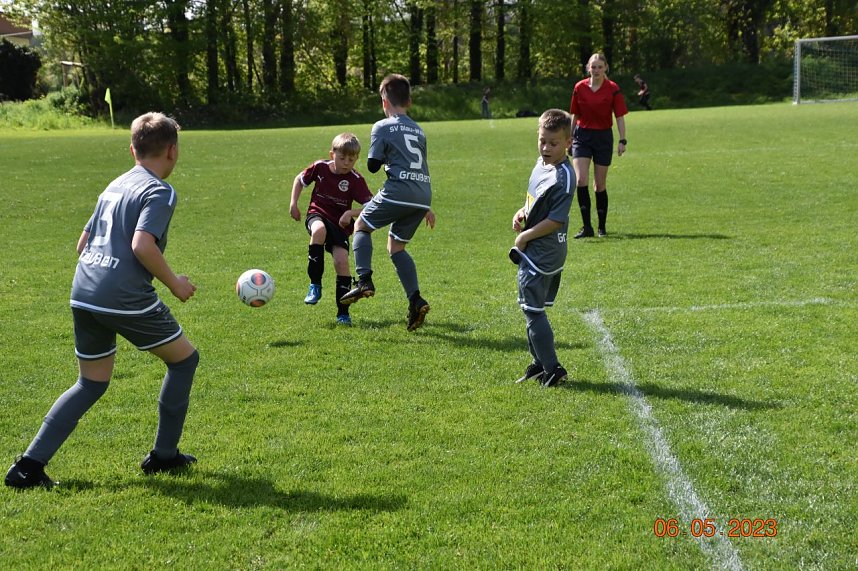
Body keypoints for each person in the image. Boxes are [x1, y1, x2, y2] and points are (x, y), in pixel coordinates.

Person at [5, 112, 200, 489]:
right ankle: (163, 456)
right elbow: (141, 245)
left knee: (91, 382)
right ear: (173, 151)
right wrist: (175, 283)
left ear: (132, 149)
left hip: (84, 291)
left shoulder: (114, 185)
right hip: (122, 295)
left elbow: (82, 244)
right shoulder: (159, 190)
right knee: (185, 360)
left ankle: (27, 467)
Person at [339, 73, 436, 331]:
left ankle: (364, 281)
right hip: (422, 194)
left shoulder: (382, 126)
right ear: (410, 102)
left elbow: (371, 165)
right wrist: (426, 206)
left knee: (361, 225)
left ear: (384, 102)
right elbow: (420, 166)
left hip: (399, 190)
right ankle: (416, 300)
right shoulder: (419, 129)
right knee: (396, 248)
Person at [509, 109, 575, 388]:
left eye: (553, 143)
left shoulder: (564, 177)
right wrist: (521, 212)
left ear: (568, 143)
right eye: (542, 141)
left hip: (543, 253)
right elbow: (534, 200)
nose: (546, 148)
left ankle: (553, 368)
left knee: (533, 310)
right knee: (531, 308)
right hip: (538, 250)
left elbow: (556, 220)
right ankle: (539, 364)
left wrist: (525, 237)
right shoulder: (542, 164)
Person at [289, 132, 374, 326]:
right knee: (318, 231)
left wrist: (351, 213)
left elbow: (372, 205)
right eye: (342, 158)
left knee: (342, 262)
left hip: (340, 224)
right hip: (317, 213)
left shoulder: (356, 180)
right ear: (332, 153)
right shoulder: (320, 167)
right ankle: (315, 285)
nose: (346, 162)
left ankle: (343, 313)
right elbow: (299, 180)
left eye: (351, 159)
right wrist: (294, 204)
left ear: (356, 159)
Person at [568, 52, 628, 238]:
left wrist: (622, 140)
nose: (596, 70)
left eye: (600, 67)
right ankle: (587, 228)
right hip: (582, 137)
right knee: (580, 180)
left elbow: (619, 116)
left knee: (599, 184)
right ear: (588, 68)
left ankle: (601, 227)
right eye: (593, 67)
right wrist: (569, 138)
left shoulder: (612, 88)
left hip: (603, 137)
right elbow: (574, 115)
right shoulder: (579, 87)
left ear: (605, 68)